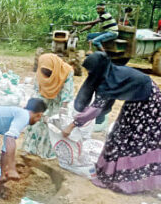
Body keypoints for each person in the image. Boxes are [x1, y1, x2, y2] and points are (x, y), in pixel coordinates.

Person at [63, 52, 160, 193]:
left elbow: (95, 109)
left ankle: (128, 180)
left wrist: (72, 125)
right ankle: (110, 173)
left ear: (98, 69)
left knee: (132, 139)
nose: (89, 74)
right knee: (118, 133)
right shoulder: (109, 74)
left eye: (90, 70)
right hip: (136, 98)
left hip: (148, 101)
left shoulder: (108, 82)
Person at [23, 54, 75, 158]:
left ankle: (45, 155)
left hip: (57, 103)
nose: (46, 77)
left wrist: (62, 115)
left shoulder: (66, 71)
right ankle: (31, 150)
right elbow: (37, 91)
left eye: (49, 73)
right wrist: (35, 109)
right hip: (43, 101)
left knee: (50, 129)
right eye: (44, 73)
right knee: (36, 125)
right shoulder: (40, 71)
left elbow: (66, 95)